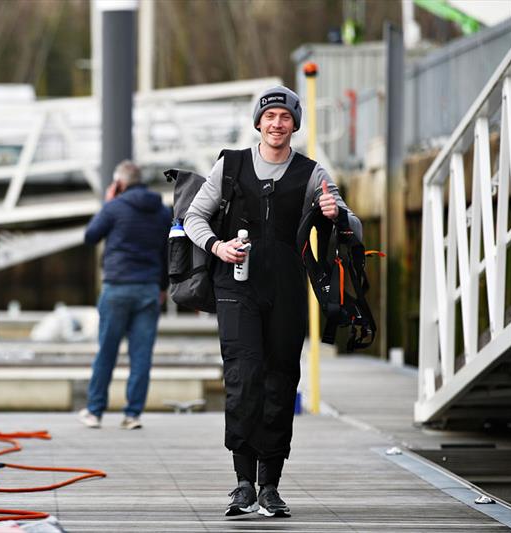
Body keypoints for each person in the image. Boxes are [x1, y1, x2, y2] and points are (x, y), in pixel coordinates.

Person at [184, 86, 362, 518]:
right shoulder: (231, 165)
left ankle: (270, 487)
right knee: (243, 379)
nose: (277, 123)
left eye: (285, 116)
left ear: (294, 124)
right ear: (258, 123)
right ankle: (243, 483)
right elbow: (192, 216)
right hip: (235, 288)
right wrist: (217, 246)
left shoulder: (313, 173)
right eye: (270, 116)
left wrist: (337, 215)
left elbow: (353, 225)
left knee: (280, 381)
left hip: (285, 289)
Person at [78, 160, 171, 430]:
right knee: (141, 355)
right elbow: (168, 252)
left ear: (119, 184)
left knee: (107, 351)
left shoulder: (115, 207)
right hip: (149, 288)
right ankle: (132, 415)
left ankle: (94, 412)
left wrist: (107, 202)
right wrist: (162, 286)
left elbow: (90, 236)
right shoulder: (162, 211)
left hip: (118, 286)